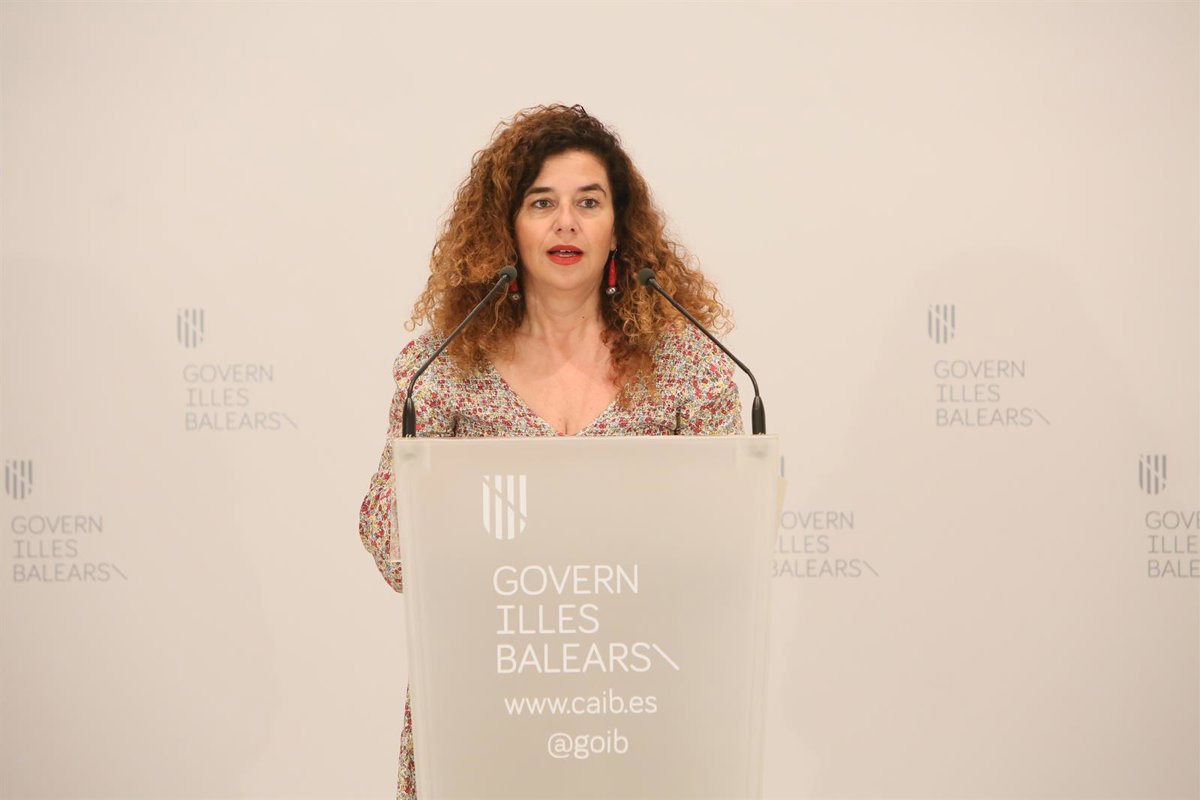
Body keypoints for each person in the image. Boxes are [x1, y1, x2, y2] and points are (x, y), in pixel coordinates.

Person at [358, 103, 743, 800]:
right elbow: (390, 545)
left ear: (618, 227)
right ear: (507, 228)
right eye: (542, 203)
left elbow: (726, 548)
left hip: (640, 703)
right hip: (486, 700)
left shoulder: (690, 369)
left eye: (588, 202)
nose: (566, 222)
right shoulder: (444, 367)